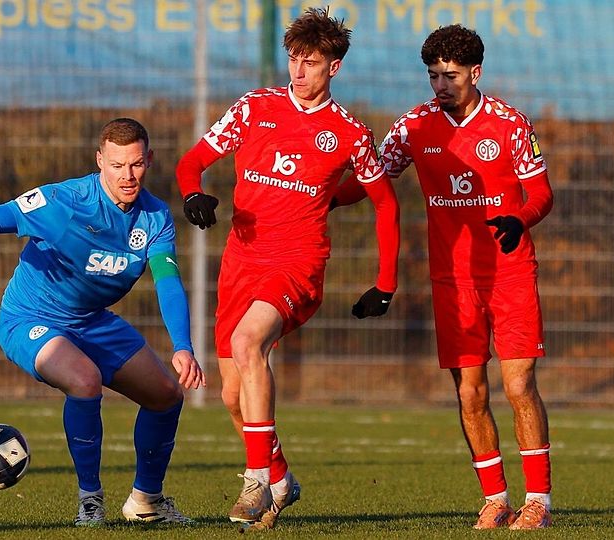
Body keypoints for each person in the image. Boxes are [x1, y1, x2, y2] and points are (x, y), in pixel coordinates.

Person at [175, 7, 400, 529]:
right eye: (294, 59)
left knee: (248, 342)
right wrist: (192, 194)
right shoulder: (254, 107)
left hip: (298, 262)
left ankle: (256, 480)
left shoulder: (349, 133)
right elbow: (192, 162)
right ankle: (280, 478)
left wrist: (385, 283)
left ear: (333, 68)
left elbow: (385, 204)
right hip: (241, 260)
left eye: (310, 62)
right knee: (232, 395)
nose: (298, 71)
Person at [333, 24, 554, 530]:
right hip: (452, 280)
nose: (440, 85)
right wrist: (321, 198)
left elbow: (542, 193)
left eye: (450, 76)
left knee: (519, 385)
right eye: (433, 75)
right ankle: (496, 499)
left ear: (475, 73)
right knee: (470, 392)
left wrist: (519, 219)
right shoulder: (414, 126)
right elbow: (372, 179)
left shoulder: (510, 124)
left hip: (510, 273)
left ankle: (538, 501)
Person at [0, 118, 205, 528]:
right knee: (85, 379)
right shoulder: (64, 201)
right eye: (117, 165)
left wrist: (183, 346)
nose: (127, 175)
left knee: (165, 394)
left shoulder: (155, 216)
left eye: (136, 164)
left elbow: (168, 281)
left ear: (149, 160)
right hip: (30, 317)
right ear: (99, 161)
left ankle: (147, 501)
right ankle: (90, 501)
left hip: (92, 321)